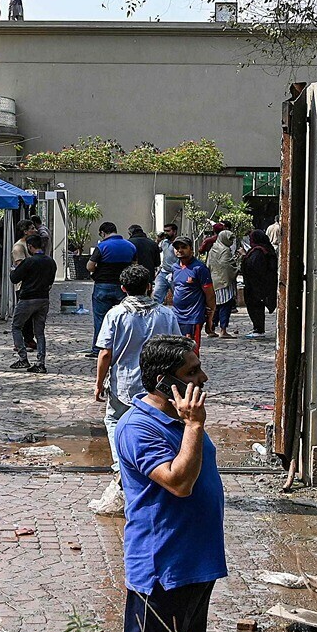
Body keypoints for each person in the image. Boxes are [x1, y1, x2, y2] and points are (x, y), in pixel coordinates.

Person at [113, 335, 224, 632]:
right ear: (165, 380)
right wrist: (195, 425)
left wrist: (190, 423)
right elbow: (178, 482)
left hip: (197, 563)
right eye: (193, 371)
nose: (202, 378)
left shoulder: (177, 419)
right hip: (162, 567)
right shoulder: (138, 428)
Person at [94, 265, 180, 515]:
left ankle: (123, 468)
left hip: (123, 384)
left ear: (123, 288)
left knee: (115, 422)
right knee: (157, 427)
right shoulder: (166, 314)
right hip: (158, 386)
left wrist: (99, 383)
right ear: (149, 286)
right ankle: (158, 470)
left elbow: (105, 353)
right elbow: (178, 348)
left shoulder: (116, 314)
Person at [86, 221, 138, 348]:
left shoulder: (102, 246)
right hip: (122, 287)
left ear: (103, 233)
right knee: (123, 318)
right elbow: (135, 265)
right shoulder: (130, 246)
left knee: (101, 319)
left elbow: (89, 266)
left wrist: (97, 270)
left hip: (103, 286)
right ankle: (120, 346)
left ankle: (99, 348)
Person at [10, 233, 57, 372]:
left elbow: (14, 278)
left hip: (28, 298)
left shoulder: (29, 262)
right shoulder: (50, 261)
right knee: (40, 332)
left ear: (30, 247)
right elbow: (50, 281)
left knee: (16, 326)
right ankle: (40, 362)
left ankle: (23, 358)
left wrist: (13, 269)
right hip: (43, 299)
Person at [166, 237, 213, 349]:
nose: (179, 250)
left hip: (193, 316)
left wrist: (210, 317)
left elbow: (210, 294)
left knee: (191, 350)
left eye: (183, 247)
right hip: (177, 315)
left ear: (191, 249)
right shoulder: (175, 267)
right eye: (177, 248)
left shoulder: (199, 268)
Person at [239, 229, 278, 338]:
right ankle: (258, 328)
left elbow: (253, 267)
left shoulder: (258, 252)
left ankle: (258, 329)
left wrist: (244, 256)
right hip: (261, 285)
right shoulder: (266, 249)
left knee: (255, 307)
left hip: (255, 286)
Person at [205, 229, 238, 338]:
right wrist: (236, 268)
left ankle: (211, 328)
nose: (231, 242)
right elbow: (227, 267)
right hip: (224, 283)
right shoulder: (225, 250)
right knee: (225, 306)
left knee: (215, 306)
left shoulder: (213, 249)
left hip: (214, 281)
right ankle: (223, 330)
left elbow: (208, 264)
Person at [154, 224, 179, 303]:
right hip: (163, 272)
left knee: (178, 296)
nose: (165, 233)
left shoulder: (179, 243)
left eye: (168, 231)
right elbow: (157, 250)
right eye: (165, 231)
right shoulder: (164, 242)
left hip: (175, 273)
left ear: (174, 232)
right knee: (156, 296)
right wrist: (157, 240)